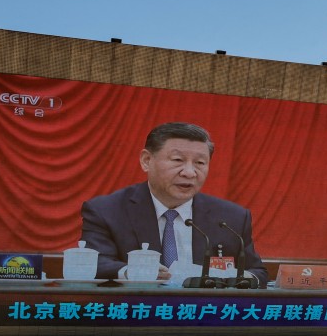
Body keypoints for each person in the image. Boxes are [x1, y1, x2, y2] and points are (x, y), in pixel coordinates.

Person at [81, 121, 268, 287]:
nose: (189, 172)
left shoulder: (231, 218)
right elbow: (95, 262)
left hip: (206, 316)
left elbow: (257, 273)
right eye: (178, 160)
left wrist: (235, 278)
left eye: (200, 163)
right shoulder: (106, 211)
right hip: (136, 315)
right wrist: (133, 272)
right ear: (147, 161)